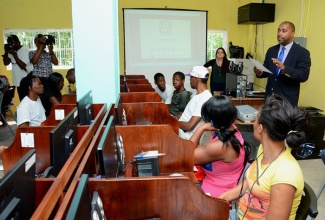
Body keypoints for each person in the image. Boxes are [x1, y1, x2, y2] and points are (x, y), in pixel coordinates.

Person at [219, 95, 312, 220]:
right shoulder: (265, 149)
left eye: (255, 119)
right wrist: (220, 199)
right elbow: (250, 182)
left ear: (260, 128)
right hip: (240, 214)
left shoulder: (285, 175)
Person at [189, 95, 245, 198]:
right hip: (223, 184)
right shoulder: (232, 129)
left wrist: (201, 128)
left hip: (217, 193)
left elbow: (187, 155)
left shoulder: (220, 146)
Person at [254, 21, 311, 107]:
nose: (279, 33)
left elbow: (303, 76)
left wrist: (284, 68)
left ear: (292, 34)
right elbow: (267, 70)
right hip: (269, 99)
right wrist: (259, 72)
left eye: (284, 31)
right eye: (278, 30)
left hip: (287, 101)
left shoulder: (302, 52)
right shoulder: (271, 50)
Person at [178, 66, 212, 140]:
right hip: (181, 131)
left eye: (191, 78)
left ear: (197, 79)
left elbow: (190, 126)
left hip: (186, 136)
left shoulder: (204, 98)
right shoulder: (196, 95)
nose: (190, 80)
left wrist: (174, 123)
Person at [2, 35, 33, 101]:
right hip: (18, 82)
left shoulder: (25, 50)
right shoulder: (11, 51)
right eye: (10, 44)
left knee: (29, 100)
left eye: (13, 43)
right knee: (22, 101)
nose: (12, 45)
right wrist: (6, 51)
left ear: (18, 42)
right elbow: (6, 63)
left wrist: (14, 54)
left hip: (27, 81)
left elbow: (22, 65)